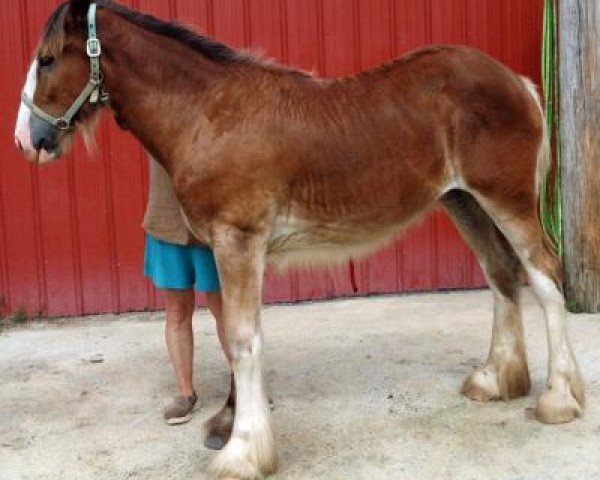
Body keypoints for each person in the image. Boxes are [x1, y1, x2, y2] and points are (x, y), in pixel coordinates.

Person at [143, 156, 225, 425]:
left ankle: (247, 388)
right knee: (177, 311)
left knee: (224, 308)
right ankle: (185, 393)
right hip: (166, 220)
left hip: (211, 221)